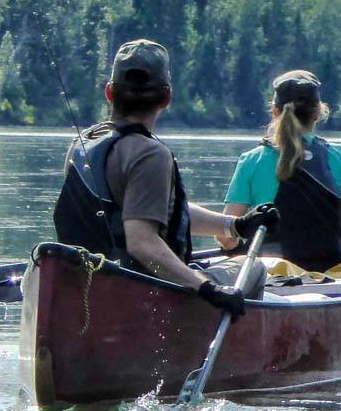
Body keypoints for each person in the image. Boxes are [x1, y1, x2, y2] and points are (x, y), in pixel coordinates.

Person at [53, 39, 275, 318]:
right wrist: (206, 288)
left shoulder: (84, 143)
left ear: (109, 93)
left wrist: (236, 225)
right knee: (254, 268)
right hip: (144, 293)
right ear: (166, 98)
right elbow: (142, 243)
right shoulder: (150, 154)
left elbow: (154, 211)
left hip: (90, 288)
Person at [221, 70, 341, 271]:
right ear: (318, 112)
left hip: (270, 276)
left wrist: (239, 249)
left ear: (274, 111)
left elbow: (225, 236)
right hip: (332, 275)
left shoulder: (252, 160)